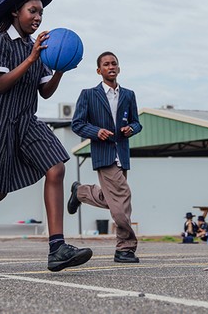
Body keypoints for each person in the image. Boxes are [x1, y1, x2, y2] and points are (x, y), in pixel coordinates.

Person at [0, 0, 92, 272]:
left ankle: (57, 248)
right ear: (15, 11)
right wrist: (32, 59)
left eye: (41, 12)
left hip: (26, 119)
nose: (38, 17)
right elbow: (0, 84)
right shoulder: (1, 42)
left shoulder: (36, 48)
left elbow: (46, 92)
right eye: (33, 10)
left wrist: (61, 67)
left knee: (56, 167)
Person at [67, 51, 142, 263]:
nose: (111, 67)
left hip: (122, 155)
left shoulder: (128, 95)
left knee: (115, 200)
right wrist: (96, 132)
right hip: (103, 154)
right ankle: (125, 247)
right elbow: (77, 124)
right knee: (122, 196)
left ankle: (81, 192)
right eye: (106, 64)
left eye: (114, 64)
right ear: (99, 70)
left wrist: (132, 129)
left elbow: (137, 122)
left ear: (118, 68)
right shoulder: (88, 95)